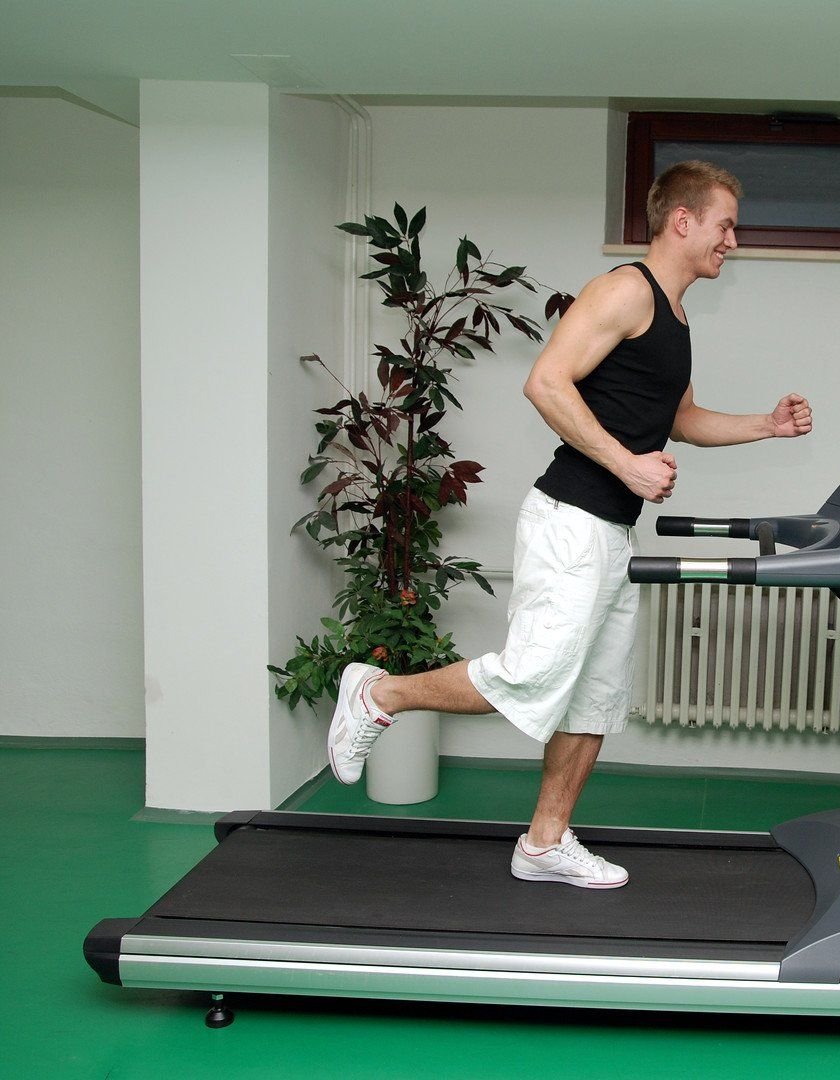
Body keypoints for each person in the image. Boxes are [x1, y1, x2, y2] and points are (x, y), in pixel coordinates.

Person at [327, 161, 812, 889]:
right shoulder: (625, 290)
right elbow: (546, 382)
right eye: (725, 226)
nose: (732, 242)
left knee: (594, 698)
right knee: (531, 673)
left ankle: (544, 843)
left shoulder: (675, 317)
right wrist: (628, 465)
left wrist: (766, 425)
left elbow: (682, 418)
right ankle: (378, 694)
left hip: (612, 532)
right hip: (571, 520)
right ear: (682, 221)